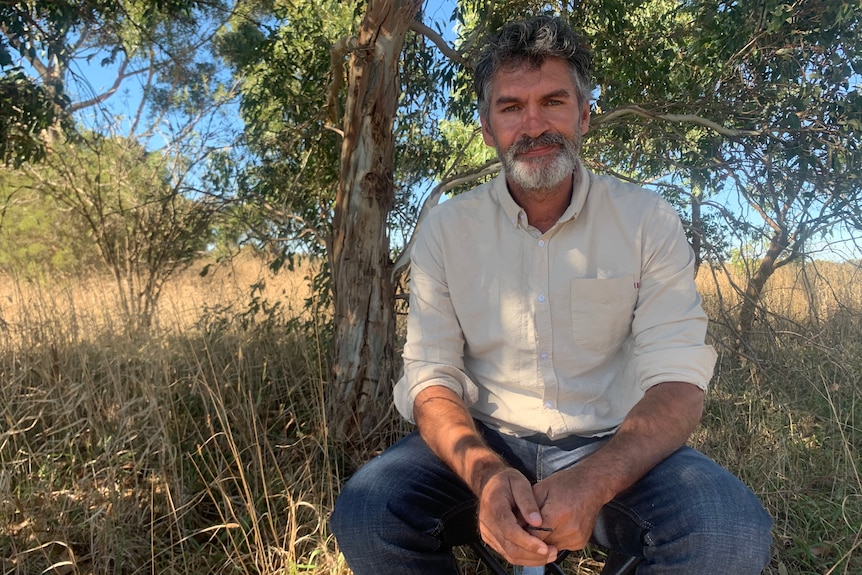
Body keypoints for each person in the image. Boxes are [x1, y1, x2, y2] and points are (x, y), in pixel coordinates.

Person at [330, 15, 773, 575]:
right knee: (369, 513)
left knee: (729, 532)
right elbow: (431, 377)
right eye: (511, 107)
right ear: (488, 128)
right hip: (487, 439)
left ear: (584, 115)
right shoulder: (447, 230)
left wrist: (593, 480)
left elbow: (677, 380)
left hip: (612, 442)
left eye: (554, 102)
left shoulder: (645, 221)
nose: (533, 124)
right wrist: (488, 476)